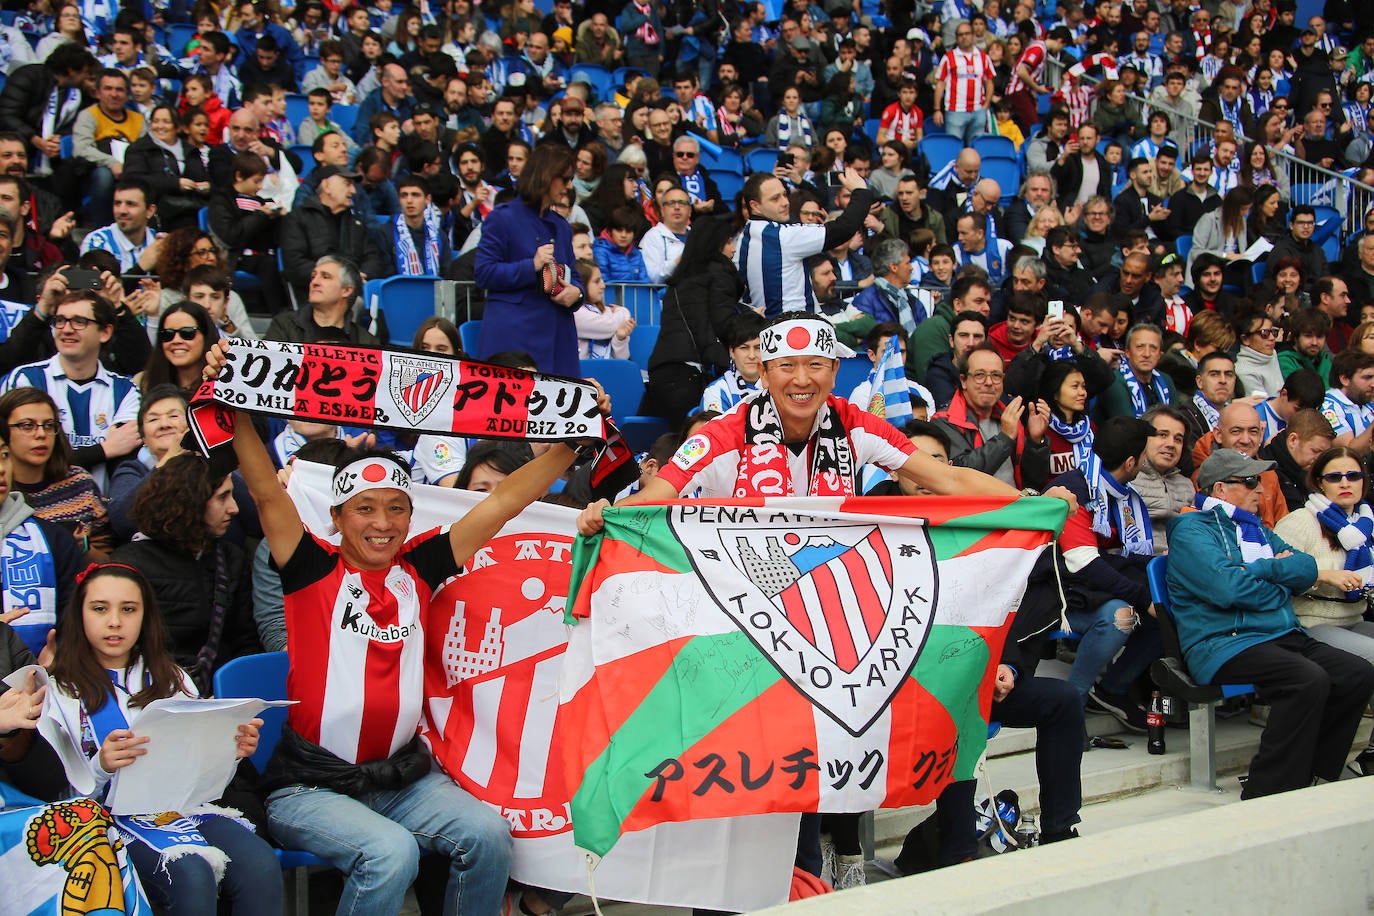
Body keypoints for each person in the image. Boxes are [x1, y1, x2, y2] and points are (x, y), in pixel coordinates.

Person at [208, 331, 603, 916]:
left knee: (489, 835)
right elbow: (267, 492)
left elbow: (501, 505)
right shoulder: (311, 567)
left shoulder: (419, 566)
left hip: (401, 780)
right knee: (391, 854)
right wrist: (234, 406)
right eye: (364, 508)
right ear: (338, 518)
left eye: (395, 508)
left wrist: (572, 443)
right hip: (309, 786)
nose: (382, 522)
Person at [42, 562, 282, 914]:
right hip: (100, 820)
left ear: (145, 616)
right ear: (78, 616)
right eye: (99, 609)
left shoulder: (173, 678)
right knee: (190, 872)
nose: (114, 622)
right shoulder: (57, 689)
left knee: (260, 864)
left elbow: (200, 781)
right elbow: (50, 797)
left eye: (128, 609)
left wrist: (230, 751)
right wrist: (102, 765)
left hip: (179, 809)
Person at [1166, 448, 1374, 798]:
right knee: (1307, 679)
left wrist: (1260, 573)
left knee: (1357, 672)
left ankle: (1317, 775)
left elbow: (1305, 567)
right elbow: (1228, 589)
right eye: (1249, 482)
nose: (1260, 490)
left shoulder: (1256, 529)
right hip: (1224, 641)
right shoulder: (1191, 530)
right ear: (1220, 489)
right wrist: (1270, 571)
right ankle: (1269, 791)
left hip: (1277, 632)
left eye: (1258, 482)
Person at [109, 452, 258, 693]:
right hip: (145, 704)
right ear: (190, 501)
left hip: (215, 704)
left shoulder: (230, 559)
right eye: (223, 497)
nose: (234, 508)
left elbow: (245, 642)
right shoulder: (127, 567)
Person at [1271, 444, 1374, 775]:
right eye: (1335, 476)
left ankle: (1370, 751)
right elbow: (1276, 579)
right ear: (1318, 483)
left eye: (1353, 475)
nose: (1346, 482)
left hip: (1353, 617)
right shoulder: (1300, 522)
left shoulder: (1366, 522)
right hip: (1308, 622)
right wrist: (1324, 577)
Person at [2, 289, 141, 493]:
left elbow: (123, 457)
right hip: (36, 508)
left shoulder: (125, 390)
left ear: (105, 332)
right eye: (59, 320)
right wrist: (104, 450)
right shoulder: (27, 379)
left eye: (79, 322)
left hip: (101, 513)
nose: (66, 329)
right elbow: (30, 458)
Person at [473, 144, 583, 377]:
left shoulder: (562, 226)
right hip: (515, 336)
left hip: (558, 335)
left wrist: (577, 294)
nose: (569, 186)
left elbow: (574, 274)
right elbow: (483, 273)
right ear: (546, 176)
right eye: (565, 179)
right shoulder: (502, 218)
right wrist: (531, 266)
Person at [644, 216, 745, 424]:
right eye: (728, 242)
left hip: (663, 375)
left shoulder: (680, 279)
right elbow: (724, 324)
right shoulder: (719, 272)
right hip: (689, 377)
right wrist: (750, 321)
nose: (733, 249)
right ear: (714, 244)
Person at [735, 167, 873, 317]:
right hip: (796, 328)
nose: (785, 202)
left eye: (784, 195)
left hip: (764, 330)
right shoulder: (782, 236)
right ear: (755, 206)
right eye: (775, 199)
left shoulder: (742, 238)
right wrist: (861, 191)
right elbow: (844, 229)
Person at [934, 344, 1051, 491]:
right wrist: (1005, 438)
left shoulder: (1009, 417)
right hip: (977, 511)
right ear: (963, 381)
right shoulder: (943, 422)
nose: (989, 383)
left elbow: (1034, 482)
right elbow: (961, 477)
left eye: (996, 375)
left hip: (1015, 508)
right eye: (979, 375)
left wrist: (1036, 442)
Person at [122, 106, 211, 232]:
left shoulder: (190, 150)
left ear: (176, 126)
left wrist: (206, 187)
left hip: (190, 208)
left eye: (166, 121)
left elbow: (203, 178)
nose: (160, 126)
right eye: (156, 121)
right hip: (157, 209)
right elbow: (133, 179)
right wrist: (175, 184)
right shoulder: (139, 149)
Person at [267, 255, 379, 345]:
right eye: (313, 277)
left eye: (325, 277)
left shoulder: (365, 341)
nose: (314, 282)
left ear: (346, 290)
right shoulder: (284, 326)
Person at [1133, 403, 1195, 554]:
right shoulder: (1127, 477)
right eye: (1162, 435)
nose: (1171, 444)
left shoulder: (1187, 485)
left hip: (1179, 562)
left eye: (1178, 439)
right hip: (1137, 563)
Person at [1260, 408, 1337, 512]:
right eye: (1315, 451)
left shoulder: (1314, 473)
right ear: (1293, 440)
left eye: (1323, 455)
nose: (1320, 460)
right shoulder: (1266, 471)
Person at [139, 301, 214, 394]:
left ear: (206, 336)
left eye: (187, 333)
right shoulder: (144, 384)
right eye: (168, 334)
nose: (176, 340)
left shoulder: (226, 384)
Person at [699, 313, 765, 414]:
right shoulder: (717, 391)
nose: (752, 355)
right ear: (732, 352)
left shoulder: (779, 385)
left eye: (758, 348)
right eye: (744, 348)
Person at [573, 259, 634, 359]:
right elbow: (610, 325)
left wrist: (619, 339)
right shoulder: (576, 313)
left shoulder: (608, 311)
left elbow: (622, 359)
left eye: (602, 280)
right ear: (582, 284)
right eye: (597, 281)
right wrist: (624, 311)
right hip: (583, 373)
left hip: (608, 370)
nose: (603, 285)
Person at [1320, 349, 1374, 454]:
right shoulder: (1328, 406)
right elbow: (1348, 451)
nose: (1373, 384)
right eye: (1367, 378)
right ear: (1345, 379)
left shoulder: (1366, 401)